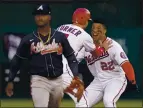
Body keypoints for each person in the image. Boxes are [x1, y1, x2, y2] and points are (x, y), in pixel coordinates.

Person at [5, 4, 83, 107]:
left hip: (57, 80)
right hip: (39, 80)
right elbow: (17, 60)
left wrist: (76, 76)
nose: (40, 17)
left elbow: (71, 58)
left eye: (43, 14)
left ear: (49, 17)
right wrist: (10, 80)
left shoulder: (60, 37)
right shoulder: (28, 40)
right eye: (37, 15)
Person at [76, 19, 138, 107]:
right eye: (93, 28)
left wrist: (132, 81)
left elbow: (126, 64)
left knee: (108, 101)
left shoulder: (113, 45)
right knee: (81, 104)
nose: (95, 30)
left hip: (115, 79)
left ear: (105, 30)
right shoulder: (87, 46)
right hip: (98, 81)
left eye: (98, 28)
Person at [57, 8, 111, 104]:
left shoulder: (61, 27)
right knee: (82, 101)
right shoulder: (84, 36)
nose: (88, 23)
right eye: (87, 20)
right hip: (64, 70)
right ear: (83, 19)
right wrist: (103, 48)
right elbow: (96, 54)